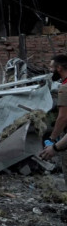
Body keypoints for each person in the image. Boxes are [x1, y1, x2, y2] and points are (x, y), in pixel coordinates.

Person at [40, 55, 67, 184]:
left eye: (51, 67)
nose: (50, 70)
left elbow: (63, 117)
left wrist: (52, 141)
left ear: (59, 68)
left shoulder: (64, 88)